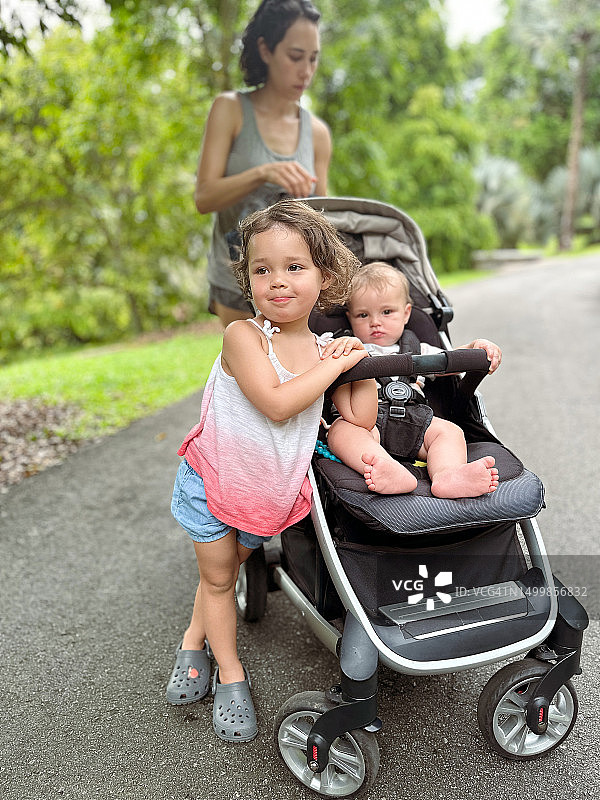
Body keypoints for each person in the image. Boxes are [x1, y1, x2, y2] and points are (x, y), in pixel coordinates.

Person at [166, 200, 372, 742]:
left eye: (294, 267)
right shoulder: (243, 337)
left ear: (324, 277)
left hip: (268, 494)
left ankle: (193, 637)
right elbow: (278, 405)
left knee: (226, 571)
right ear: (248, 279)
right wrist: (333, 367)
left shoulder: (328, 348)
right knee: (218, 579)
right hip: (213, 483)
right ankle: (230, 674)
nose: (277, 281)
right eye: (263, 270)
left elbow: (357, 418)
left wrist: (362, 366)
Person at [195, 0, 332, 328]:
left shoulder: (317, 133)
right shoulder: (230, 109)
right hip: (235, 278)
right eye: (296, 57)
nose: (306, 71)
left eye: (313, 59)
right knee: (248, 374)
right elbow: (204, 197)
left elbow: (322, 216)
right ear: (265, 50)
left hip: (293, 285)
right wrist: (263, 173)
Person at [327, 261, 503, 498]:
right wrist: (333, 351)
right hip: (365, 423)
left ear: (406, 313)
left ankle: (448, 475)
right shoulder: (345, 345)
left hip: (414, 420)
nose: (375, 321)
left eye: (387, 312)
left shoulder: (418, 348)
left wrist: (475, 348)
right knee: (339, 432)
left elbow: (448, 362)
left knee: (449, 432)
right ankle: (385, 467)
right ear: (350, 318)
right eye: (363, 315)